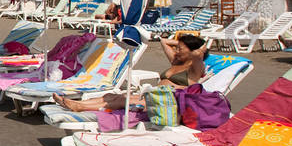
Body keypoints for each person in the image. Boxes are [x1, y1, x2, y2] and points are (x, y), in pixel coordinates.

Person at [52, 34, 209, 112]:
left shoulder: (195, 68)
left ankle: (80, 106)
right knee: (115, 96)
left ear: (192, 51)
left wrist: (192, 47)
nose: (176, 50)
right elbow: (163, 41)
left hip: (171, 102)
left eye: (180, 48)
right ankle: (79, 104)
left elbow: (198, 55)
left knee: (124, 101)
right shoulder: (176, 61)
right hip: (157, 95)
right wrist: (182, 44)